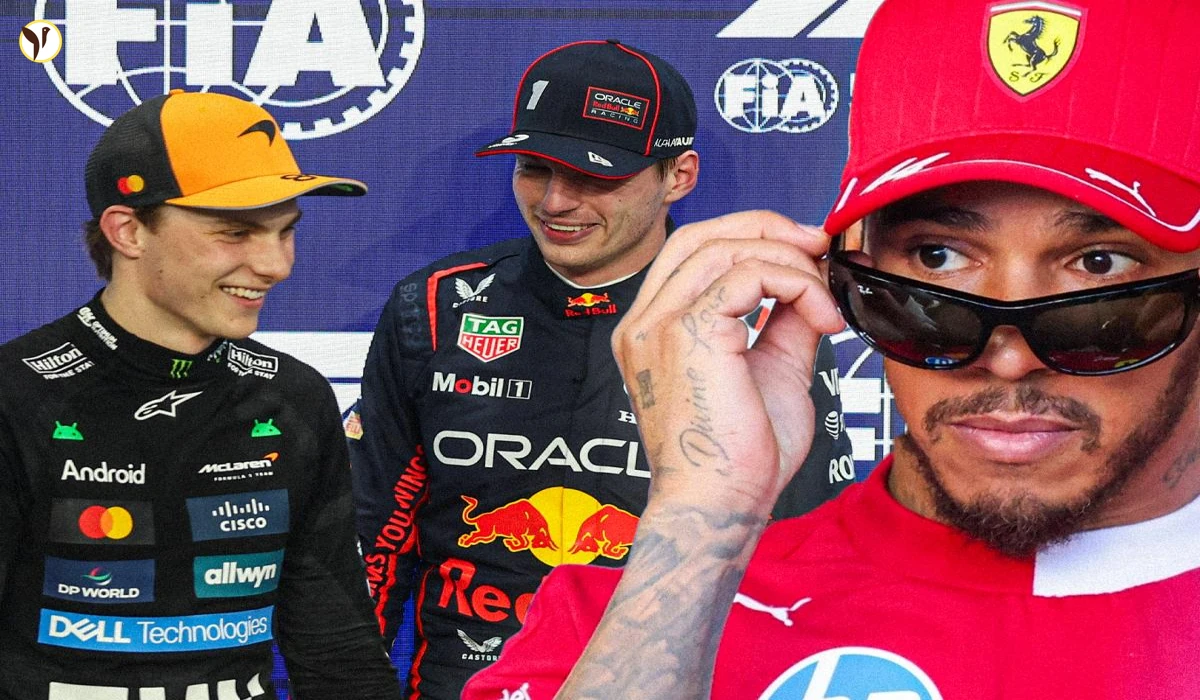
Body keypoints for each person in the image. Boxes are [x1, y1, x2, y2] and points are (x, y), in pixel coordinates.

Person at [462, 1, 1200, 697]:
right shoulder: (631, 620)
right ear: (839, 277)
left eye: (1099, 266)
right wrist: (703, 515)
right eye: (938, 260)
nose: (1008, 360)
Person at [348, 39, 853, 699]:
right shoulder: (439, 305)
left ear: (679, 176)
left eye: (595, 176)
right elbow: (375, 538)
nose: (556, 201)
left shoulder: (753, 320)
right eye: (534, 168)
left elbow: (809, 557)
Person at [0, 91, 402, 699]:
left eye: (286, 232)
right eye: (235, 233)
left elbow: (338, 652)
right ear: (128, 231)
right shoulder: (17, 396)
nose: (275, 266)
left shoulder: (293, 397)